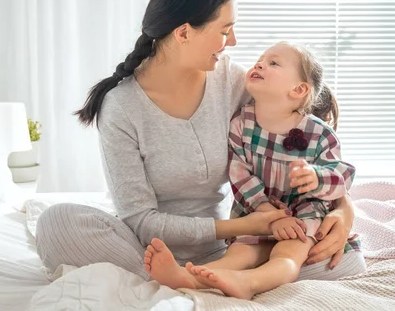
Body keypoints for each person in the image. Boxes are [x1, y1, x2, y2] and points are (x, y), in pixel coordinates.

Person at [35, 0, 366, 285]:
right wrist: (254, 226)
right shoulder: (121, 107)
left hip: (230, 248)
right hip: (147, 246)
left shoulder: (233, 83)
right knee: (57, 222)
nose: (233, 41)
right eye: (224, 30)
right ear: (183, 33)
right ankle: (194, 277)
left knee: (346, 258)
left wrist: (343, 208)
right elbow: (140, 221)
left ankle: (199, 278)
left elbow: (306, 130)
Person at [144, 41, 364, 299]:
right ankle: (188, 277)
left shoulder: (320, 134)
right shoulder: (241, 123)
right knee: (241, 252)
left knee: (287, 255)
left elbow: (341, 177)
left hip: (304, 213)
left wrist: (316, 177)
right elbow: (240, 174)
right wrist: (267, 212)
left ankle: (249, 282)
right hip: (258, 210)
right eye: (260, 59)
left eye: (273, 63)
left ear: (298, 89)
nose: (260, 63)